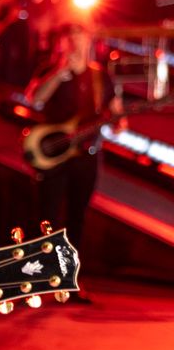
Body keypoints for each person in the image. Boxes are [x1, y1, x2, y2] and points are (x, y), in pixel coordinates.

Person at [23, 24, 124, 301]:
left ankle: (70, 282)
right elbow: (35, 99)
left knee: (76, 219)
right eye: (71, 39)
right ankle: (40, 279)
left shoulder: (100, 77)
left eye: (81, 38)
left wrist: (118, 122)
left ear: (89, 41)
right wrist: (59, 73)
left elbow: (116, 116)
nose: (77, 44)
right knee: (48, 218)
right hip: (54, 156)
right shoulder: (51, 71)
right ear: (62, 43)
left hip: (86, 156)